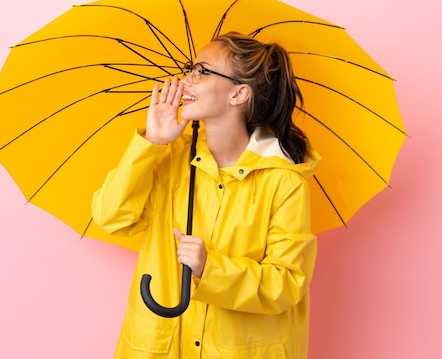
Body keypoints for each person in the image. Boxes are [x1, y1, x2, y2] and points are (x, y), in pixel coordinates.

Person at [92, 31, 321, 358]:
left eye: (201, 71)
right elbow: (110, 217)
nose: (186, 81)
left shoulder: (283, 182)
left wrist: (209, 267)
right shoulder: (170, 158)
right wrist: (152, 143)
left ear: (238, 93)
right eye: (190, 69)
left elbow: (286, 284)